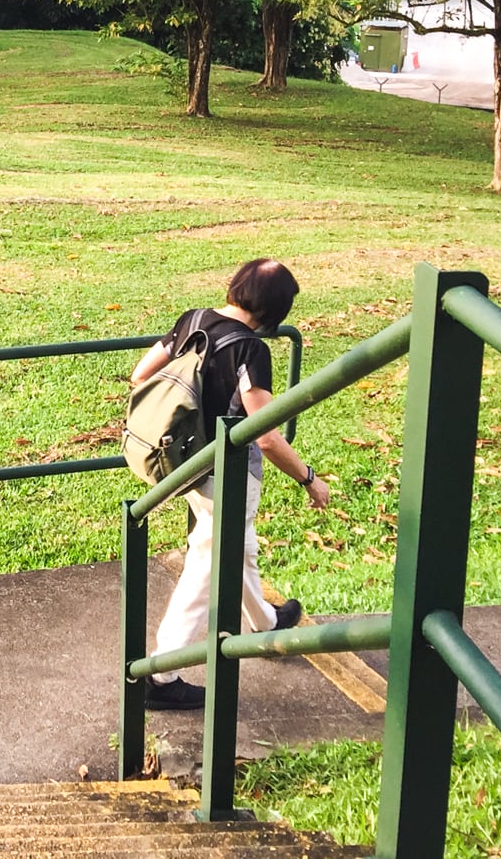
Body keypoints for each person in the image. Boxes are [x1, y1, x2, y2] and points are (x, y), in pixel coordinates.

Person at [128, 258, 330, 711]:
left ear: (236, 286)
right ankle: (160, 676)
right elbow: (266, 433)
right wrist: (308, 479)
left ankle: (264, 621)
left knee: (235, 545)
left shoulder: (193, 321)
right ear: (277, 310)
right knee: (208, 564)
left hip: (189, 462)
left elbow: (141, 375)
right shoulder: (251, 350)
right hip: (229, 473)